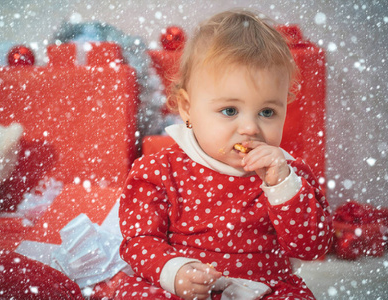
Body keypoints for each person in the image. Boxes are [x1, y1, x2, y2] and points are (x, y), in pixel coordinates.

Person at [116, 9, 333, 300]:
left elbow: (312, 248)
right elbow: (139, 241)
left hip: (265, 288)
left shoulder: (289, 174)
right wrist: (175, 271)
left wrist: (282, 187)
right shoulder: (159, 170)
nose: (249, 127)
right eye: (229, 110)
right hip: (182, 289)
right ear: (187, 108)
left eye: (267, 112)